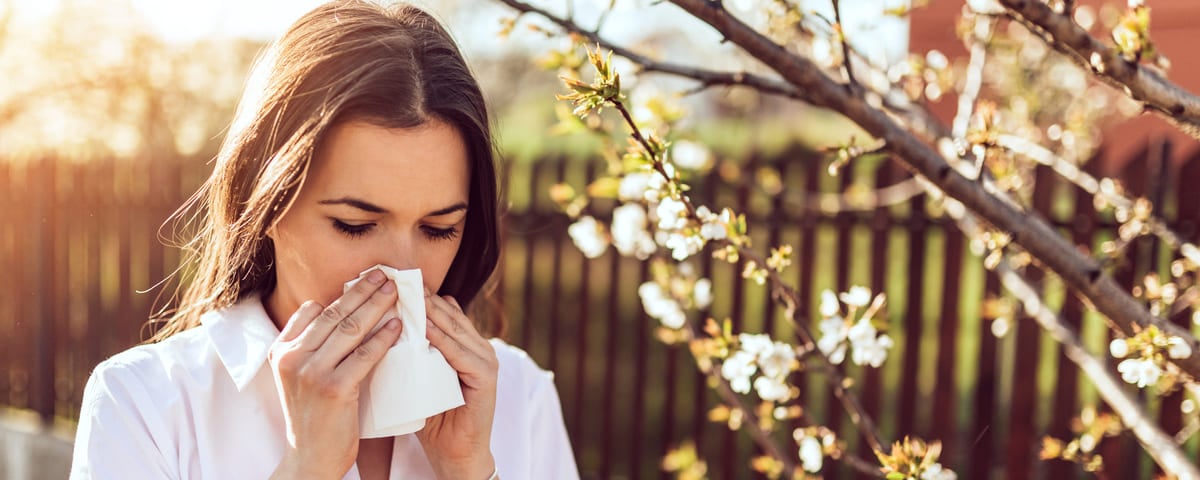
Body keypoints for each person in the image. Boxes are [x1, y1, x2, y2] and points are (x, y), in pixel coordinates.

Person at [68, 1, 579, 479]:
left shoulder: (518, 395)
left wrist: (471, 472)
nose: (401, 272)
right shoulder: (145, 404)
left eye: (438, 229)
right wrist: (304, 467)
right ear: (262, 202)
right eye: (355, 224)